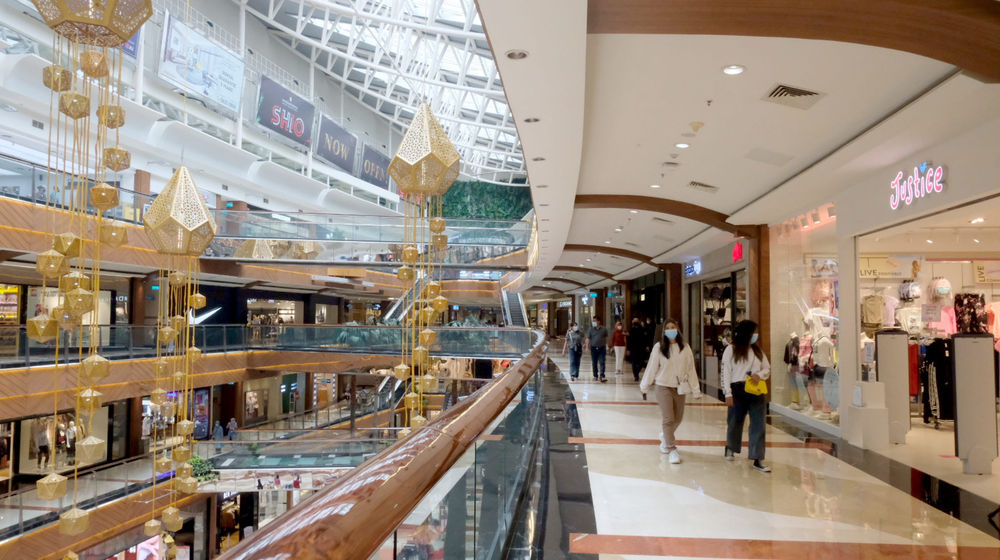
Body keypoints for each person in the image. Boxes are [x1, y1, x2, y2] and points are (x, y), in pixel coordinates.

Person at [640, 320, 701, 464]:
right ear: (664, 331)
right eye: (667, 328)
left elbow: (691, 369)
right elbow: (651, 368)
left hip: (680, 387)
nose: (670, 330)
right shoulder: (659, 347)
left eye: (673, 327)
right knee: (668, 419)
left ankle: (665, 436)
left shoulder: (685, 347)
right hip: (663, 386)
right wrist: (645, 385)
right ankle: (671, 448)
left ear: (677, 329)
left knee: (678, 418)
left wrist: (696, 390)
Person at [722, 320, 772, 473]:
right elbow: (726, 372)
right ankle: (731, 447)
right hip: (737, 389)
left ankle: (757, 458)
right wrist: (727, 393)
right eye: (753, 332)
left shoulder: (758, 351)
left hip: (756, 390)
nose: (756, 335)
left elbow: (767, 368)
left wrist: (760, 375)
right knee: (735, 421)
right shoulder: (731, 349)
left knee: (758, 424)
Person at [585, 317, 609, 383]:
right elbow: (588, 338)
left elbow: (606, 337)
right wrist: (587, 347)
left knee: (602, 362)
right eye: (593, 321)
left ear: (599, 321)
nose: (593, 322)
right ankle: (595, 375)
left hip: (602, 348)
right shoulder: (591, 330)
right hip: (593, 348)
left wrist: (607, 346)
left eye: (595, 321)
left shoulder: (604, 329)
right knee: (594, 362)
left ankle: (602, 375)